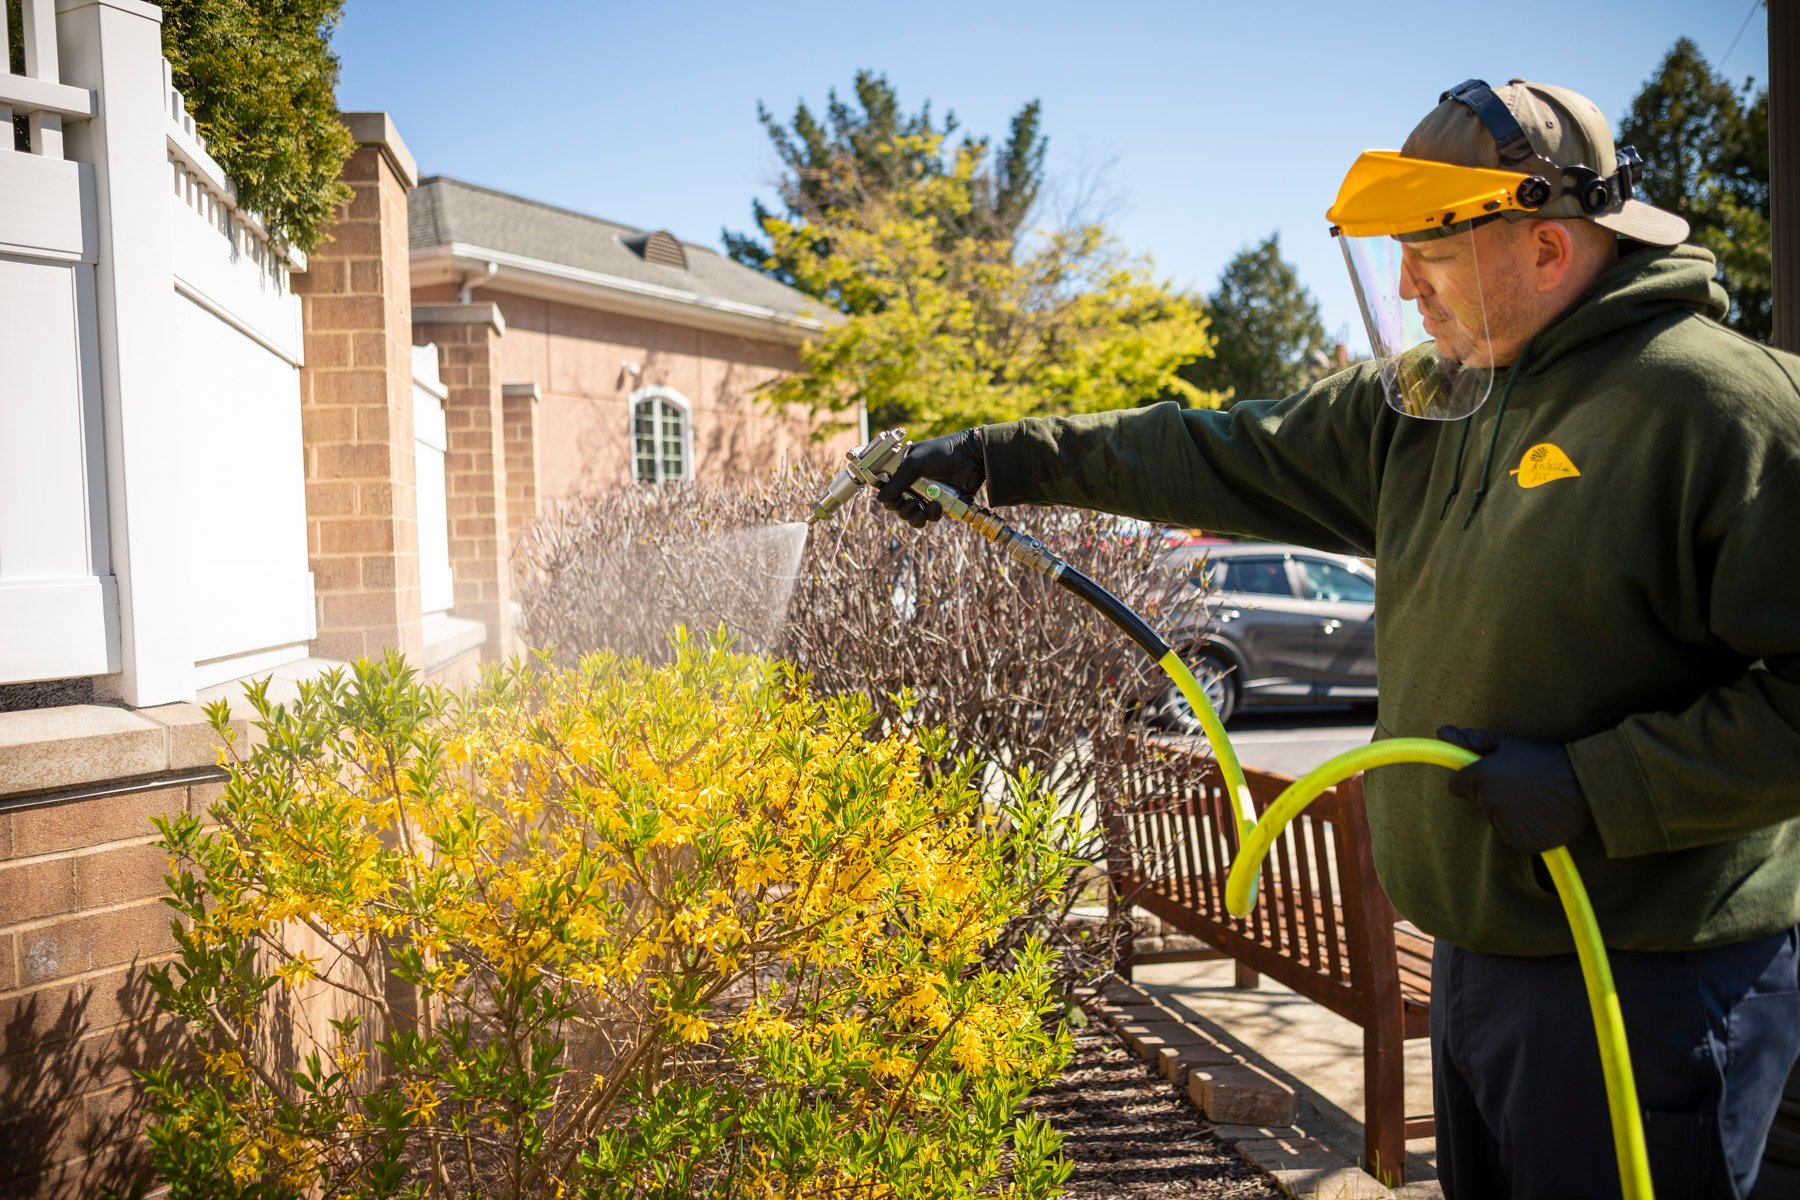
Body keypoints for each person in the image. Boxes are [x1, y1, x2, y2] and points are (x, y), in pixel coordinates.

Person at [879, 79, 1800, 1199]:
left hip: (1648, 978)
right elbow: (1222, 450)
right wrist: (1003, 457)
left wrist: (1600, 783)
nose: (1406, 286)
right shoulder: (1438, 399)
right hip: (1475, 961)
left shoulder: (1720, 410)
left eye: (1433, 254)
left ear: (1549, 250)